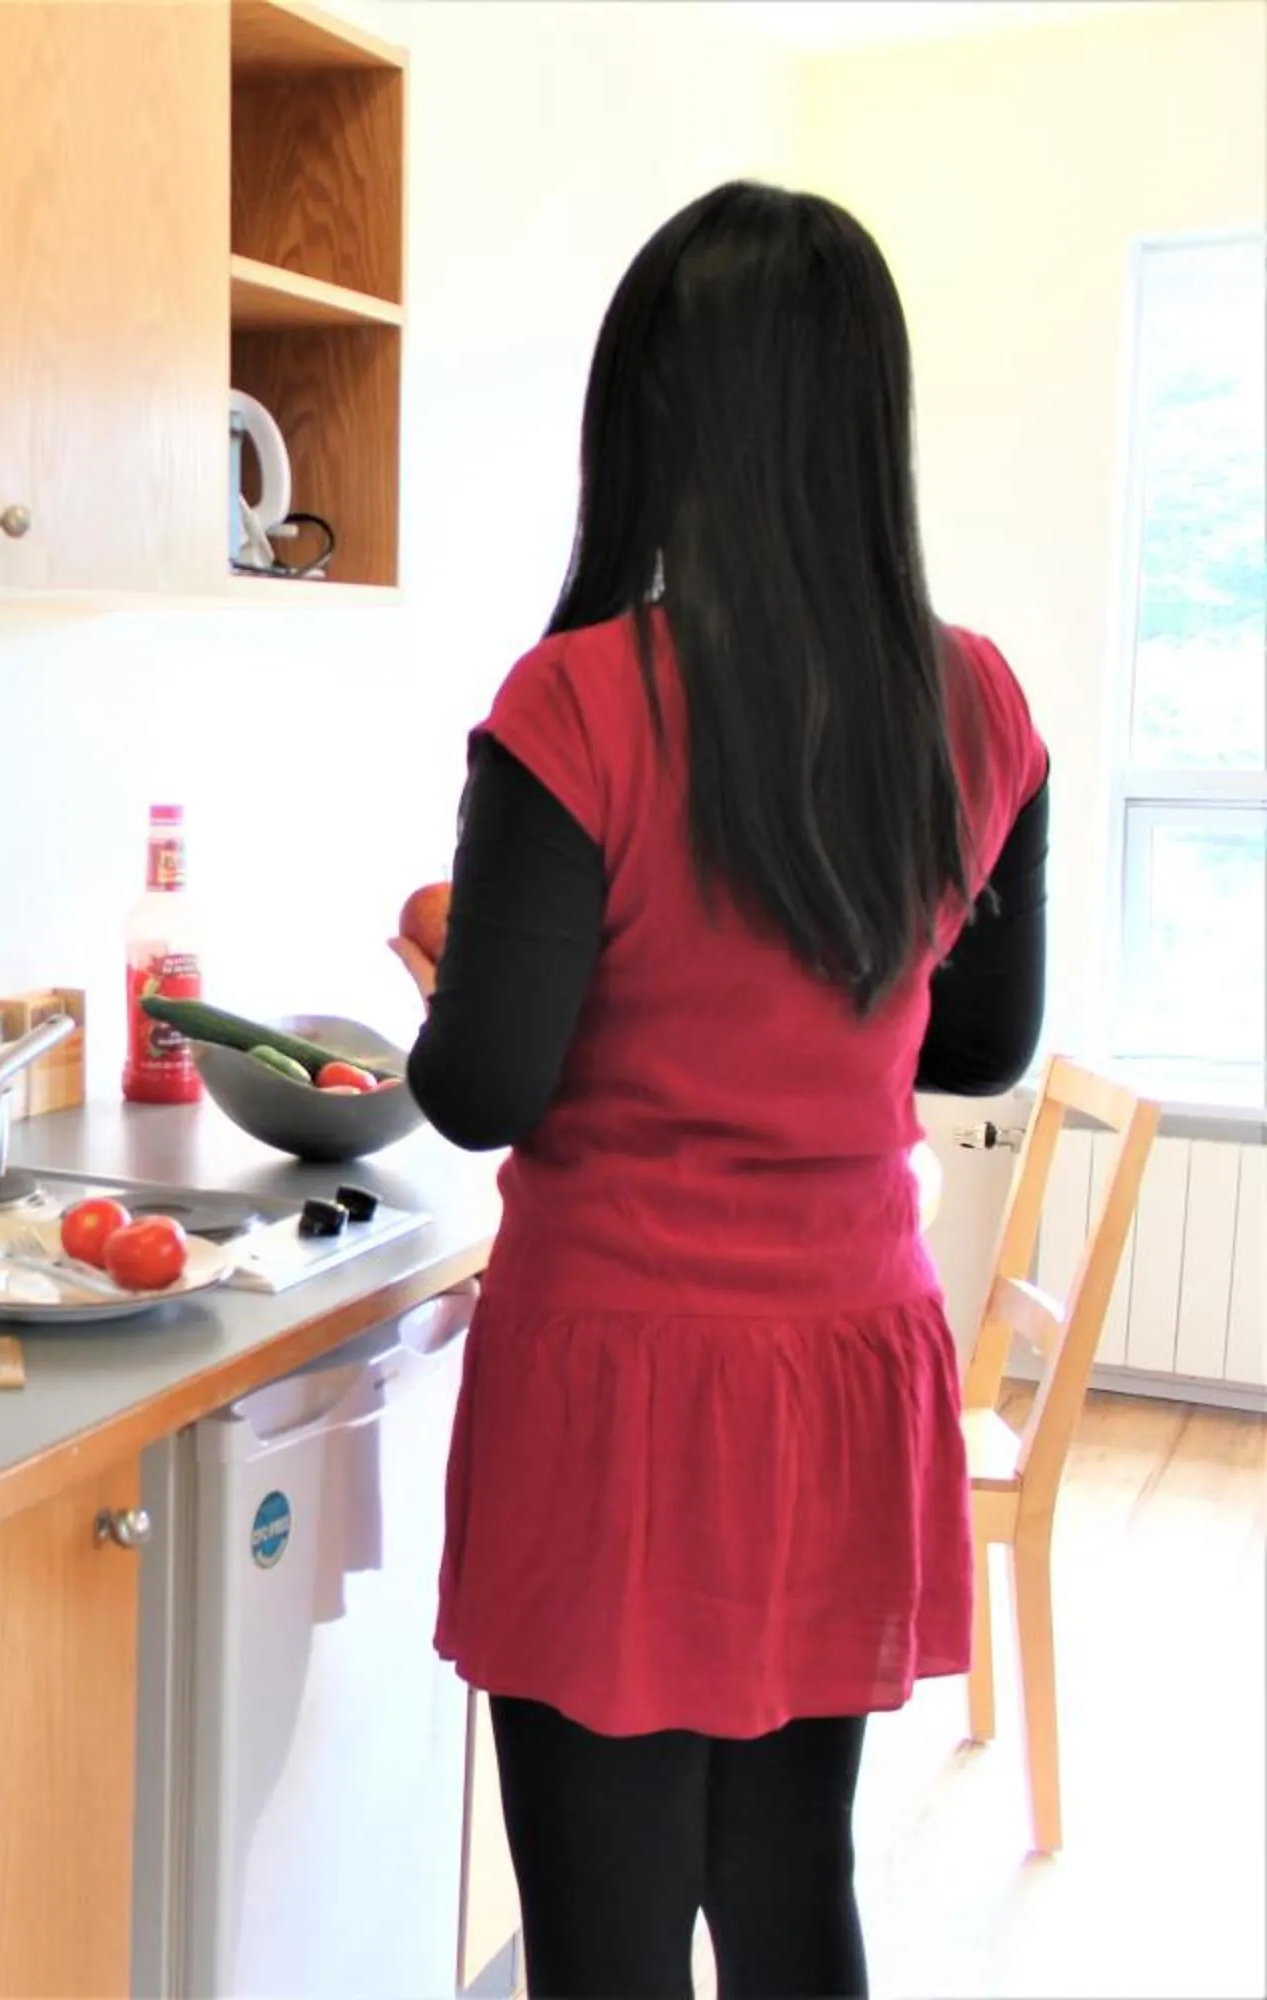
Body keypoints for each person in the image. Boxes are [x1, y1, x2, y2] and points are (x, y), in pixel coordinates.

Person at [392, 181, 1049, 2000]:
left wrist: (462, 958)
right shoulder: (978, 701)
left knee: (601, 1936)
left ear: (655, 419)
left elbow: (486, 1089)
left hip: (619, 1382)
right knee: (785, 1889)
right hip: (844, 1368)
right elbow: (978, 1046)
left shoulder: (581, 704)